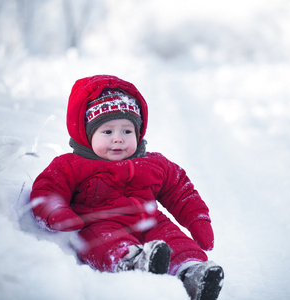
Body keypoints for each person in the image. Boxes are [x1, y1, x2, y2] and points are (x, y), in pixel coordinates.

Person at [30, 75, 224, 300]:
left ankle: (192, 272)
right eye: (108, 131)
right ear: (87, 134)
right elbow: (48, 189)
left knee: (175, 239)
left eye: (127, 131)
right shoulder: (71, 165)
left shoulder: (154, 162)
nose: (118, 139)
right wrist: (56, 212)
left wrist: (197, 218)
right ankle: (132, 263)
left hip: (151, 221)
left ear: (138, 133)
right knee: (104, 242)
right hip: (100, 223)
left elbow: (180, 189)